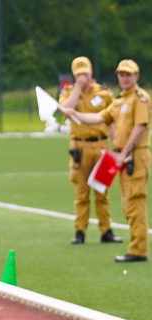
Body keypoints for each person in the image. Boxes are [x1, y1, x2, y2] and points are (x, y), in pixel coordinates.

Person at [64, 59, 150, 263]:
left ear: (136, 76)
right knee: (128, 203)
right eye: (121, 74)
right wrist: (75, 113)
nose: (124, 78)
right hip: (121, 155)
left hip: (133, 155)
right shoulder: (120, 101)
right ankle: (134, 246)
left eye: (128, 74)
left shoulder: (140, 99)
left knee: (135, 202)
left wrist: (123, 152)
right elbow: (98, 118)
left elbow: (140, 127)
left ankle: (138, 249)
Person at [58, 57, 121, 245]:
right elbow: (65, 108)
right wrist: (77, 87)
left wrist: (116, 145)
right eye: (79, 74)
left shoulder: (104, 93)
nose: (83, 77)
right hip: (79, 146)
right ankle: (80, 230)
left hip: (101, 146)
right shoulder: (69, 93)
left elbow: (112, 121)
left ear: (91, 71)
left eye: (85, 73)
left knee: (102, 190)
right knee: (81, 192)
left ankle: (106, 230)